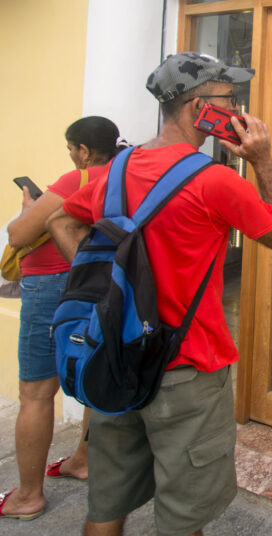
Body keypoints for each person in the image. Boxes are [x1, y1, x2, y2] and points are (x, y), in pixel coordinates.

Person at [47, 52, 272, 536]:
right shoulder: (216, 181)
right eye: (228, 98)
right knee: (184, 518)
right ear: (198, 109)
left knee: (105, 507)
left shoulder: (115, 170)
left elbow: (60, 218)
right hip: (187, 369)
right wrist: (263, 160)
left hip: (117, 354)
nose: (237, 107)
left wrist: (107, 282)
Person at [0, 117, 126, 521]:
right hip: (101, 283)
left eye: (72, 148)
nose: (70, 155)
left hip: (55, 287)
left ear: (85, 151)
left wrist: (29, 208)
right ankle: (83, 459)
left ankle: (28, 496)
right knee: (92, 372)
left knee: (36, 392)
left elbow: (20, 234)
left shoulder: (77, 179)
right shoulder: (125, 175)